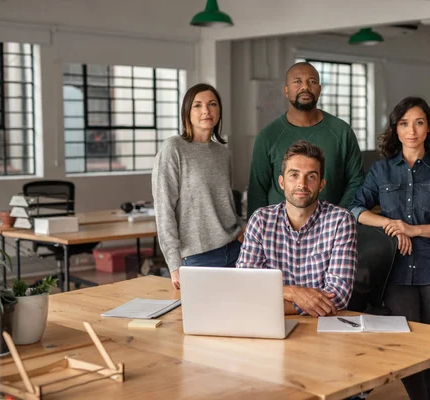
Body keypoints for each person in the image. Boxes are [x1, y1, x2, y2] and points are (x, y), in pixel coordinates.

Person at [349, 97, 430, 400]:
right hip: (395, 272)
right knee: (409, 345)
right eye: (404, 123)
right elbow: (356, 209)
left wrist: (413, 230)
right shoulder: (380, 171)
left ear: (429, 130)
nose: (411, 130)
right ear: (395, 129)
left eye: (419, 123)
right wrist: (391, 224)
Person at [237, 140, 357, 317]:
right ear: (282, 182)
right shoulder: (260, 220)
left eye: (311, 176)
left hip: (322, 328)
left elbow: (338, 295)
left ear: (321, 184)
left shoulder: (341, 221)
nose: (302, 184)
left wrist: (270, 300)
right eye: (294, 175)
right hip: (270, 326)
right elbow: (245, 284)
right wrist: (294, 293)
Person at [152, 83, 244, 290]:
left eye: (212, 104)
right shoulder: (173, 148)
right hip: (198, 257)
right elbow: (164, 209)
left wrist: (241, 226)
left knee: (236, 316)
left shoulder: (223, 153)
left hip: (235, 248)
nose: (206, 111)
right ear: (187, 112)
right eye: (198, 105)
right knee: (204, 320)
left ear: (219, 111)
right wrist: (174, 263)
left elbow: (224, 201)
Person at [246, 61, 364, 218]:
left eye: (312, 81)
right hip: (279, 230)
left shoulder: (342, 131)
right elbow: (257, 190)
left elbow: (356, 181)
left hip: (331, 229)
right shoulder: (267, 136)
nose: (305, 87)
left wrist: (338, 218)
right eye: (297, 81)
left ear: (319, 90)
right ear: (286, 91)